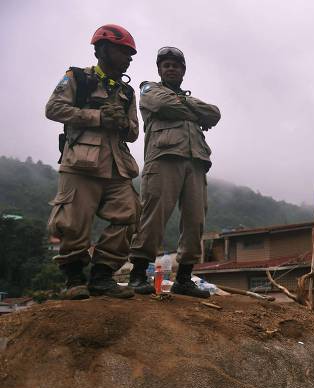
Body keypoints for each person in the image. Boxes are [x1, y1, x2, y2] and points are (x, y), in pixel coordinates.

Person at [45, 24, 140, 300]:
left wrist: (123, 123)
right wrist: (97, 117)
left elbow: (134, 132)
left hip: (117, 166)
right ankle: (74, 279)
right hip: (81, 163)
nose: (129, 58)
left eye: (131, 54)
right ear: (103, 50)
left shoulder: (126, 92)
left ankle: (102, 276)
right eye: (124, 52)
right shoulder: (76, 77)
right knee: (73, 222)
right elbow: (53, 109)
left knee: (130, 215)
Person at [128, 47, 221, 298]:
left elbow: (214, 113)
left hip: (196, 162)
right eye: (166, 65)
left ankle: (184, 278)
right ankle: (136, 274)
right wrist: (193, 111)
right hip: (163, 158)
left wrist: (182, 104)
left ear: (183, 71)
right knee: (153, 215)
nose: (171, 68)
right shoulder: (149, 89)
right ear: (159, 70)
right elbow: (159, 103)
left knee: (195, 219)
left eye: (176, 65)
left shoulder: (187, 98)